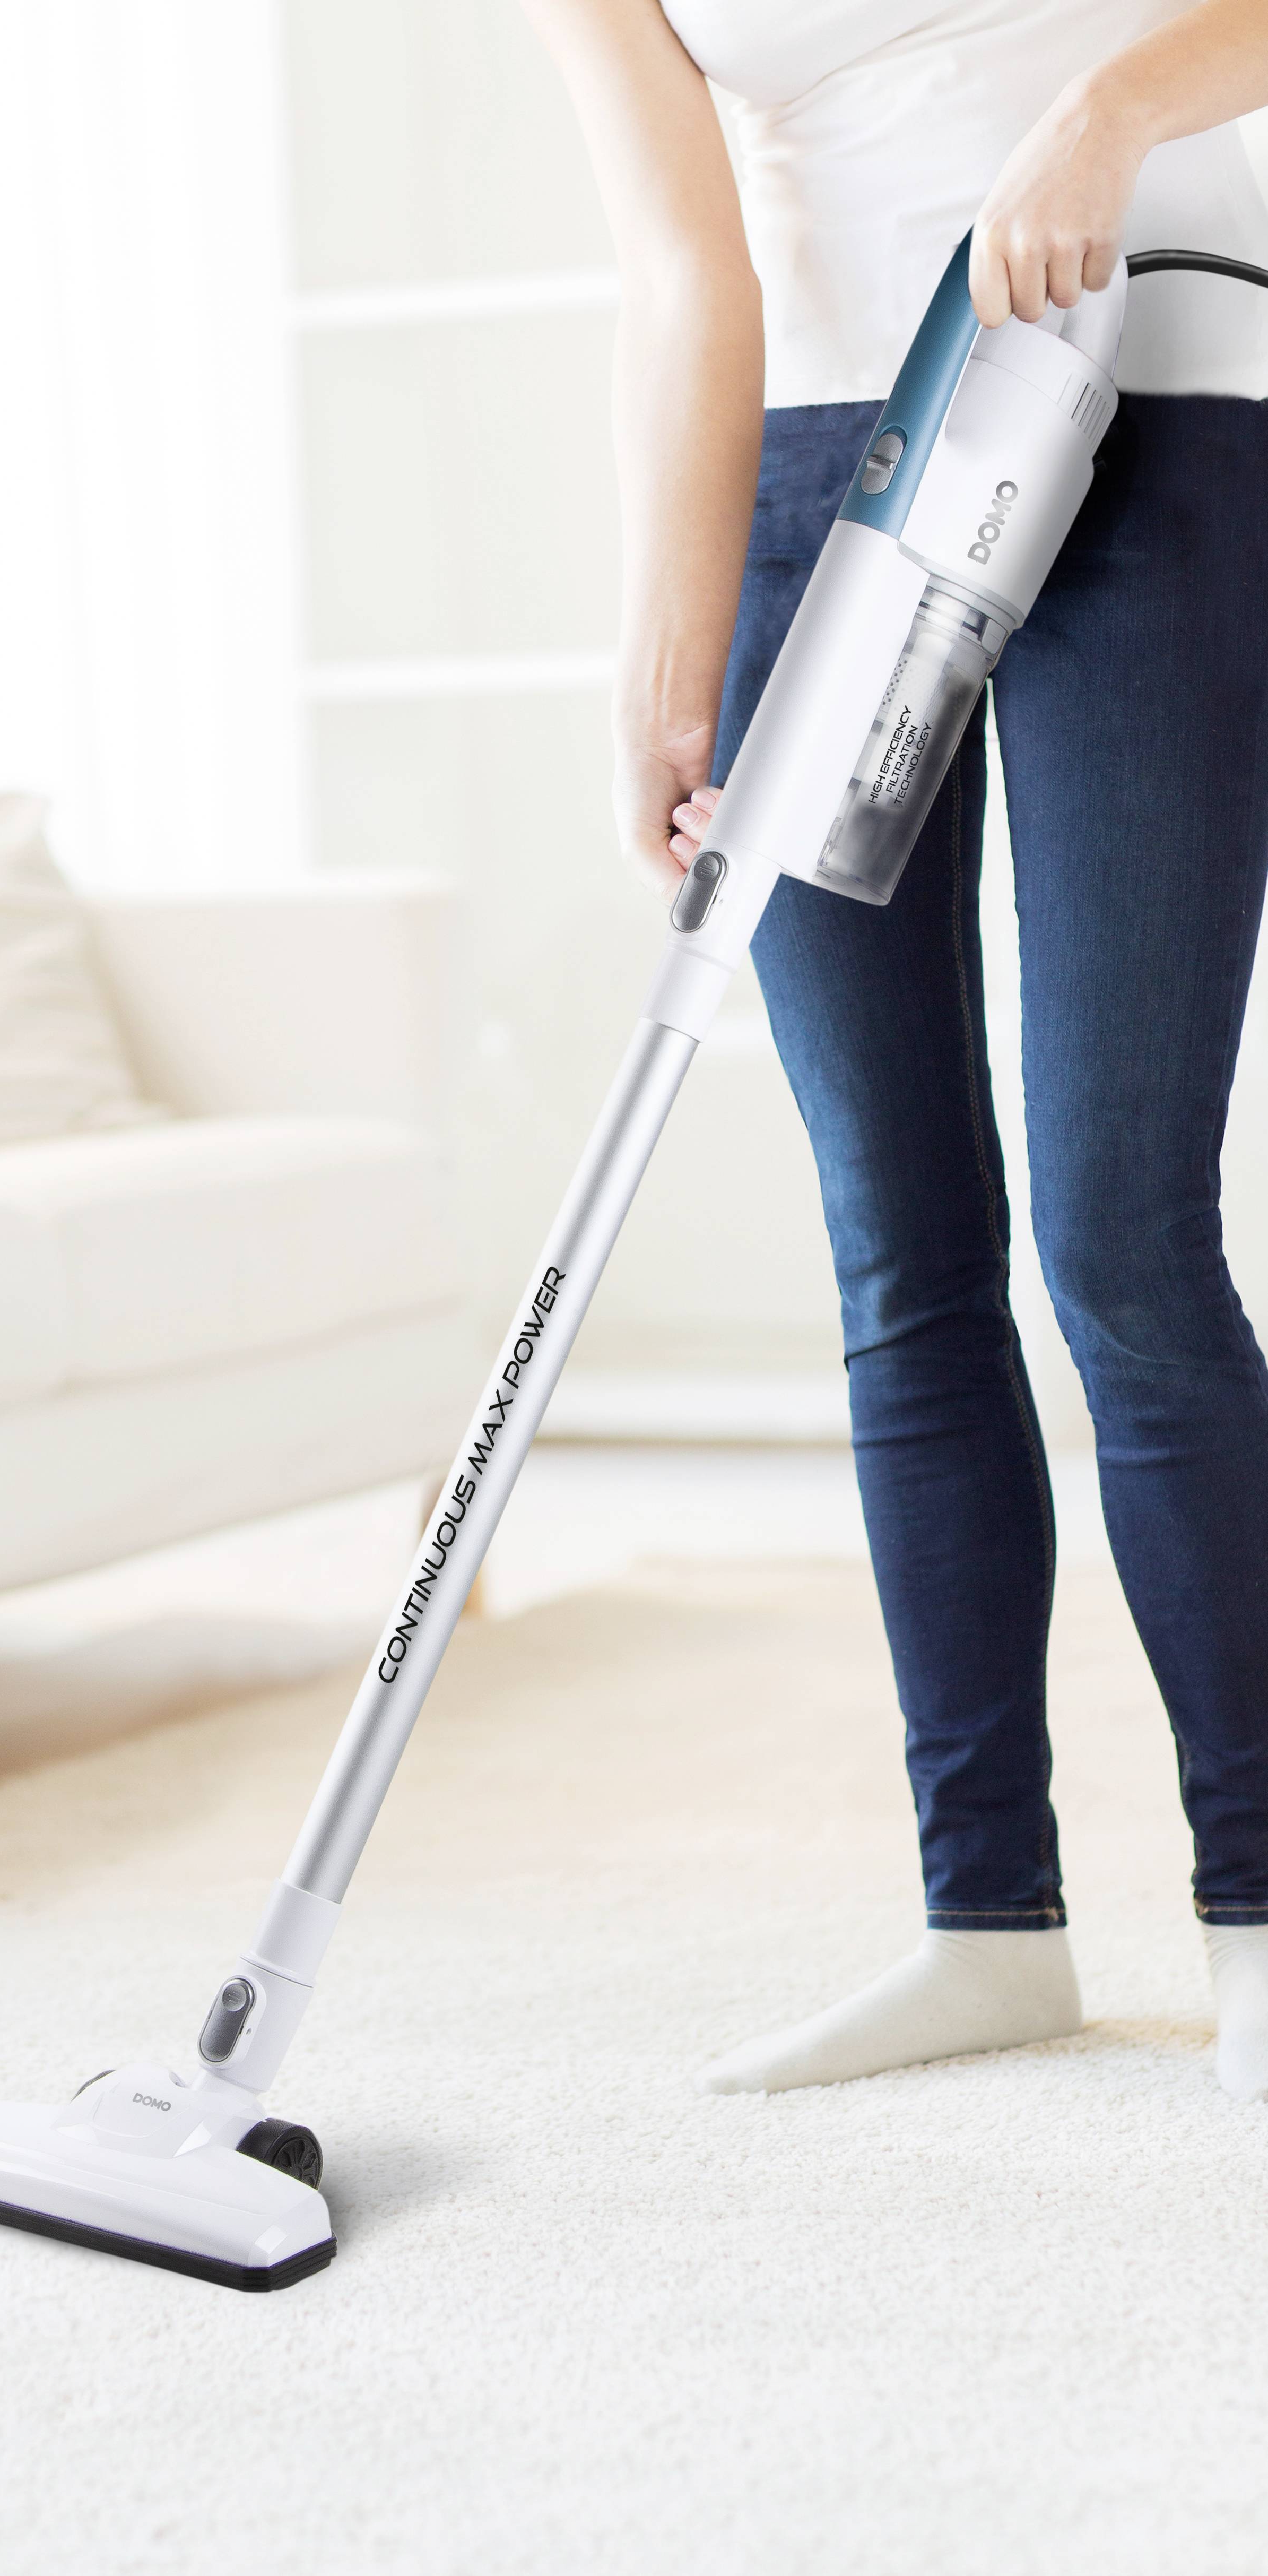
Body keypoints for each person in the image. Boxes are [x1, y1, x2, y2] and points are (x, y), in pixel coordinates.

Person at [523, 0, 1268, 2098]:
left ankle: (1256, 1910)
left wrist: (1106, 110)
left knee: (1120, 1233)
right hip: (817, 481)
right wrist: (669, 669)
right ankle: (984, 1925)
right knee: (901, 1247)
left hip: (1148, 397)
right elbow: (685, 266)